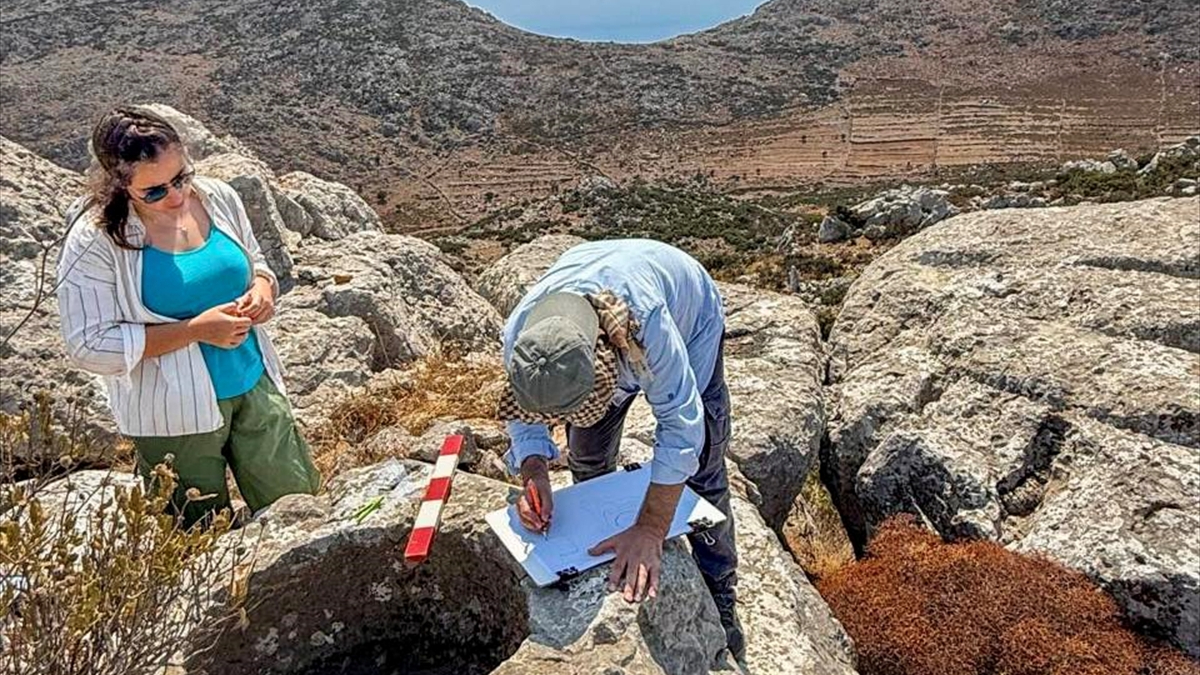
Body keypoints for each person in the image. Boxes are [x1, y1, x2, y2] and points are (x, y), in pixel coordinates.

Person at [56, 107, 320, 527]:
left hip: (254, 383)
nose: (176, 197)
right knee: (197, 535)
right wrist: (195, 331)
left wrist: (262, 289)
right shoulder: (97, 240)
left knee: (299, 511)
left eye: (181, 178)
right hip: (172, 416)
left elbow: (253, 260)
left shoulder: (217, 198)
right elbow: (89, 346)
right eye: (154, 192)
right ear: (118, 186)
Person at [498, 239, 743, 658]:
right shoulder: (524, 337)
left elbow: (682, 427)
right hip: (597, 314)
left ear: (605, 362)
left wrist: (650, 529)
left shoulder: (650, 324)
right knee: (587, 454)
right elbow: (524, 411)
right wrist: (534, 470)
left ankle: (720, 589)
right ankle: (595, 534)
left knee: (703, 473)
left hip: (691, 320)